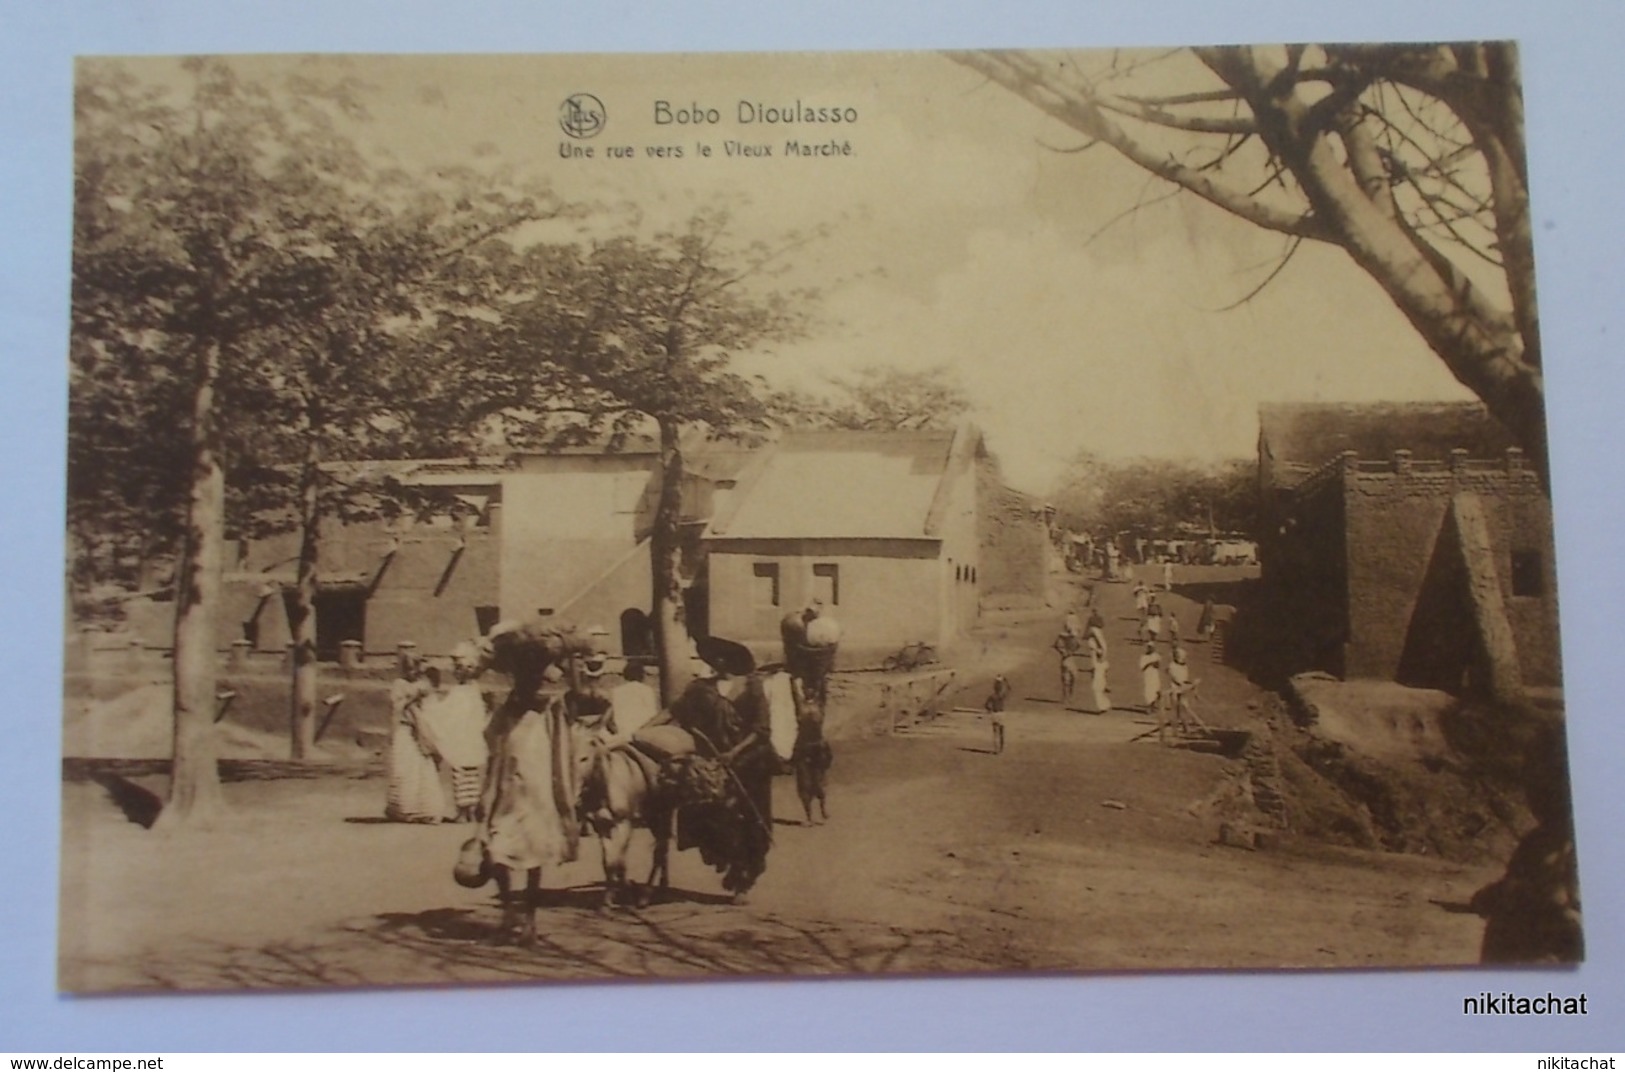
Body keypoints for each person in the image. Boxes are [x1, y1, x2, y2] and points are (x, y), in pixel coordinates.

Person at [667, 636, 776, 902]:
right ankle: (725, 860)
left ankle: (743, 878)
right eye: (713, 658)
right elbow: (676, 712)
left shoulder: (751, 688)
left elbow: (761, 729)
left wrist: (734, 753)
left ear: (729, 661)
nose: (716, 662)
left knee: (747, 819)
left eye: (721, 657)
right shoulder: (700, 690)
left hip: (750, 762)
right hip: (713, 762)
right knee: (709, 815)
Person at [418, 647, 490, 823]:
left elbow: (447, 711)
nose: (457, 672)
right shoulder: (473, 690)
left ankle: (465, 811)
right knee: (469, 773)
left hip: (464, 736)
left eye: (459, 668)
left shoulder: (463, 691)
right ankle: (469, 810)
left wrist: (429, 707)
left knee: (462, 773)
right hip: (468, 736)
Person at [386, 654, 445, 823]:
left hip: (419, 730)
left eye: (415, 670)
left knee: (423, 768)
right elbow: (397, 706)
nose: (412, 673)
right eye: (409, 669)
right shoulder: (399, 685)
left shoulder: (421, 685)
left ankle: (425, 810)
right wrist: (412, 696)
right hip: (404, 729)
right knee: (404, 768)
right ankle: (404, 809)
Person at [1052, 627, 1081, 703]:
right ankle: (1068, 697)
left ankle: (1066, 698)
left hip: (1066, 661)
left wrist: (1063, 651)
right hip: (1069, 661)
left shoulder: (1062, 639)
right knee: (1070, 680)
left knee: (1067, 680)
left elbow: (1056, 646)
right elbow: (1078, 645)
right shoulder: (1072, 640)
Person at [1087, 623, 1111, 714]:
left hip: (1100, 679)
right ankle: (1105, 705)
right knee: (1098, 692)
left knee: (1098, 692)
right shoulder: (1101, 663)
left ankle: (1103, 706)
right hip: (1099, 678)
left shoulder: (1102, 663)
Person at [1139, 642, 1163, 714]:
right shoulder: (1143, 657)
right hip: (1148, 676)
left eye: (1152, 647)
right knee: (1148, 691)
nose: (1150, 649)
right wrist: (1149, 663)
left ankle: (1153, 706)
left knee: (1156, 690)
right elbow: (1142, 668)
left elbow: (1158, 666)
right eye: (1149, 647)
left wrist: (1154, 663)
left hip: (1155, 676)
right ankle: (1148, 707)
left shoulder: (1156, 656)